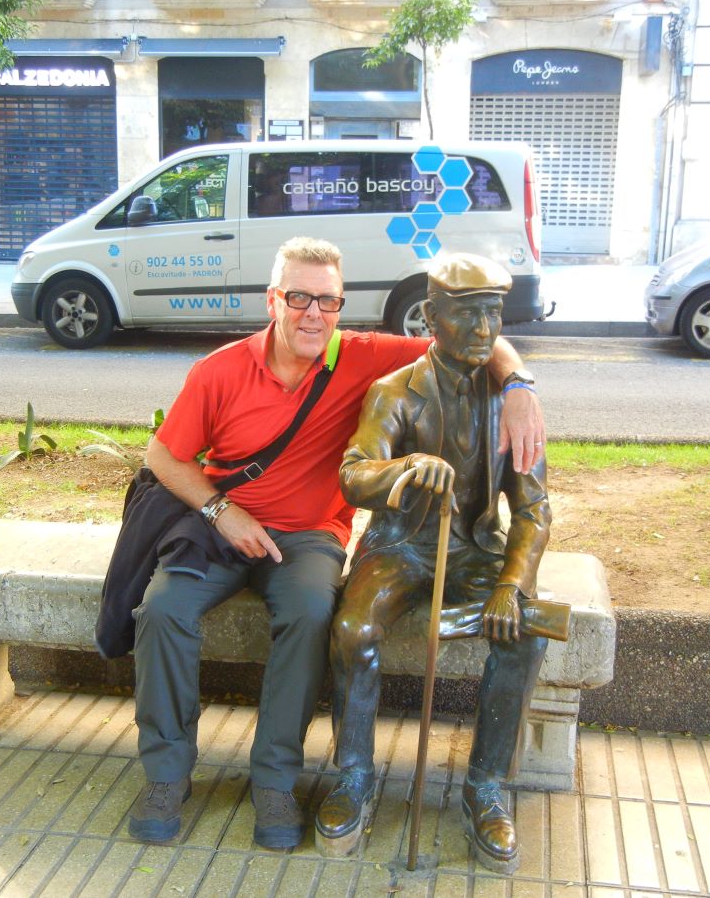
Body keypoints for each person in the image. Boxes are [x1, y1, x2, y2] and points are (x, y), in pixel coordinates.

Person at [126, 237, 545, 849]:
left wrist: (520, 386)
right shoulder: (221, 370)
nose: (314, 314)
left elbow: (477, 337)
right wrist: (221, 512)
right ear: (274, 300)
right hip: (219, 529)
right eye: (299, 298)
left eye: (328, 300)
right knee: (162, 611)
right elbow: (163, 456)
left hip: (307, 538)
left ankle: (276, 781)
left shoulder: (361, 357)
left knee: (310, 614)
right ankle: (166, 775)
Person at [316, 253, 562, 874]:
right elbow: (353, 475)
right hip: (400, 546)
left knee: (525, 633)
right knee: (353, 629)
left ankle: (486, 785)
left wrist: (512, 584)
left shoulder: (511, 403)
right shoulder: (394, 394)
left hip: (475, 549)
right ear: (431, 316)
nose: (484, 329)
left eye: (493, 314)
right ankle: (353, 774)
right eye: (467, 313)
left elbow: (533, 510)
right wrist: (403, 470)